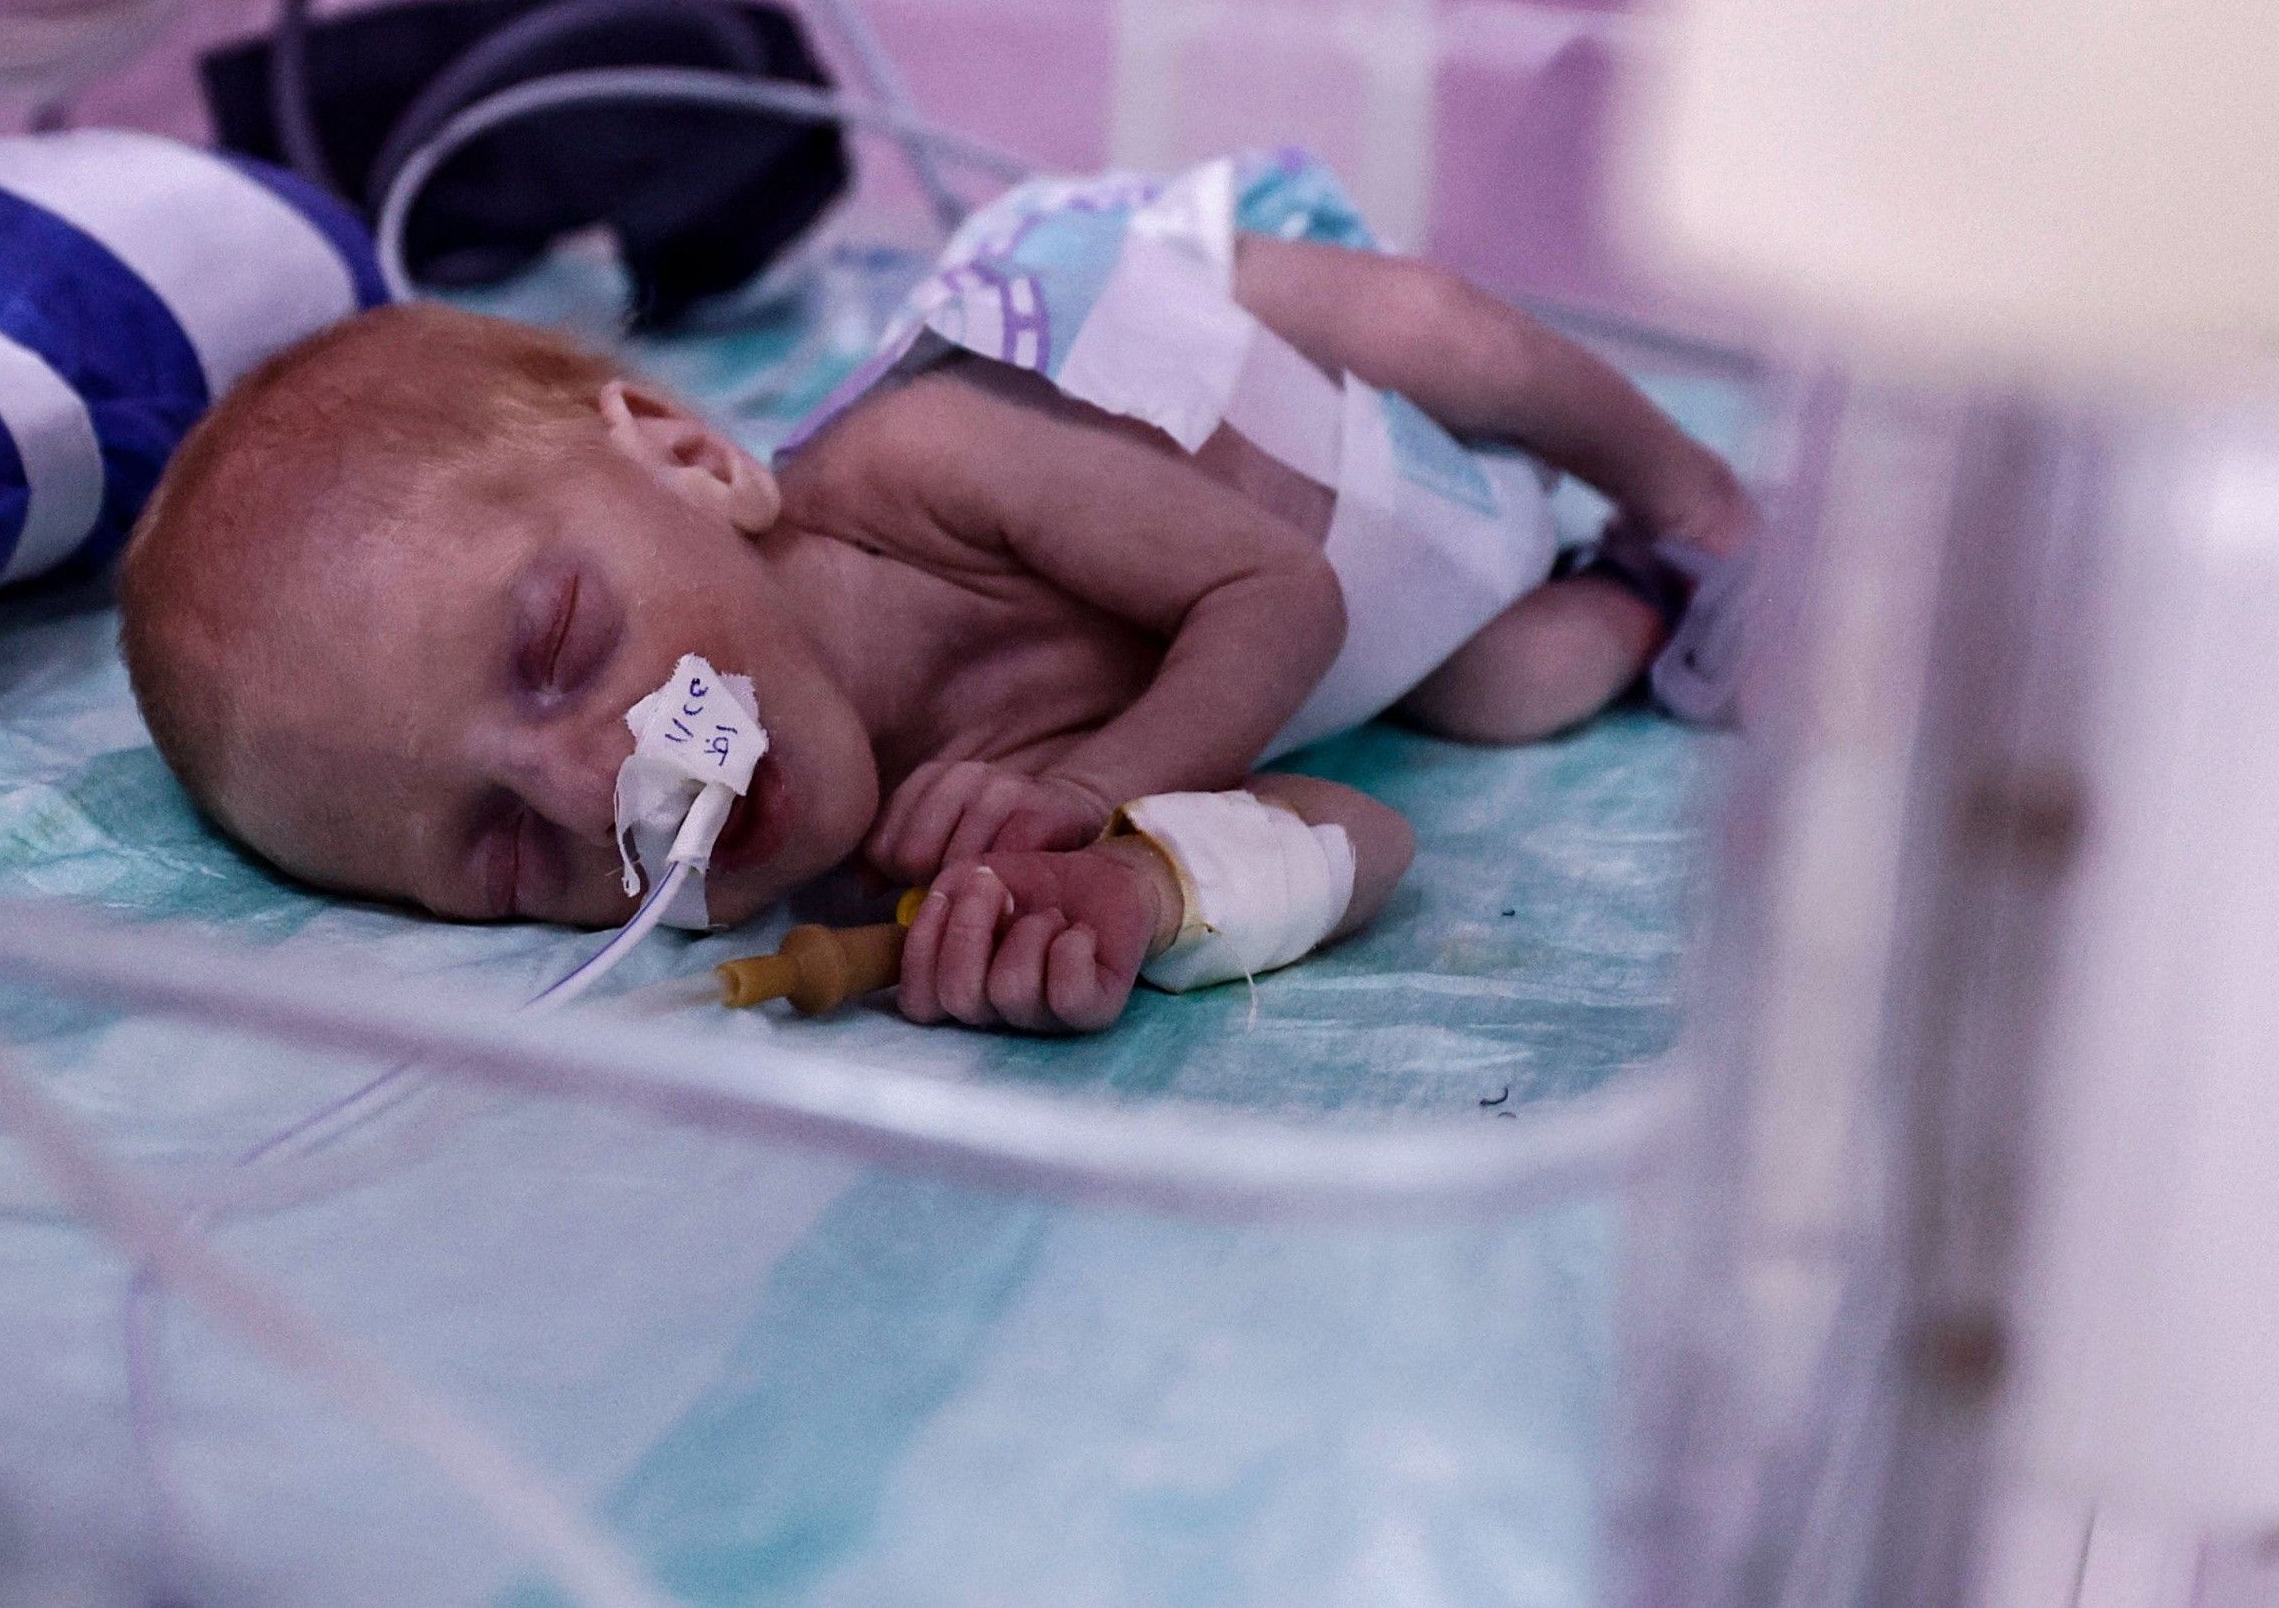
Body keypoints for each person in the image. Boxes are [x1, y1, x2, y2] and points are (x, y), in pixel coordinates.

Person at [117, 153, 1750, 1035]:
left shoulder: (923, 465)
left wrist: (1092, 789)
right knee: (1504, 694)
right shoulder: (892, 871)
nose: (589, 784)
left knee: (1436, 326)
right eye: (500, 854)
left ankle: (1693, 498)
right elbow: (1363, 833)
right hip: (1431, 594)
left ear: (692, 461)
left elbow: (1277, 595)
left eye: (556, 646)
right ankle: (1644, 602)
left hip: (1293, 384)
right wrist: (1132, 896)